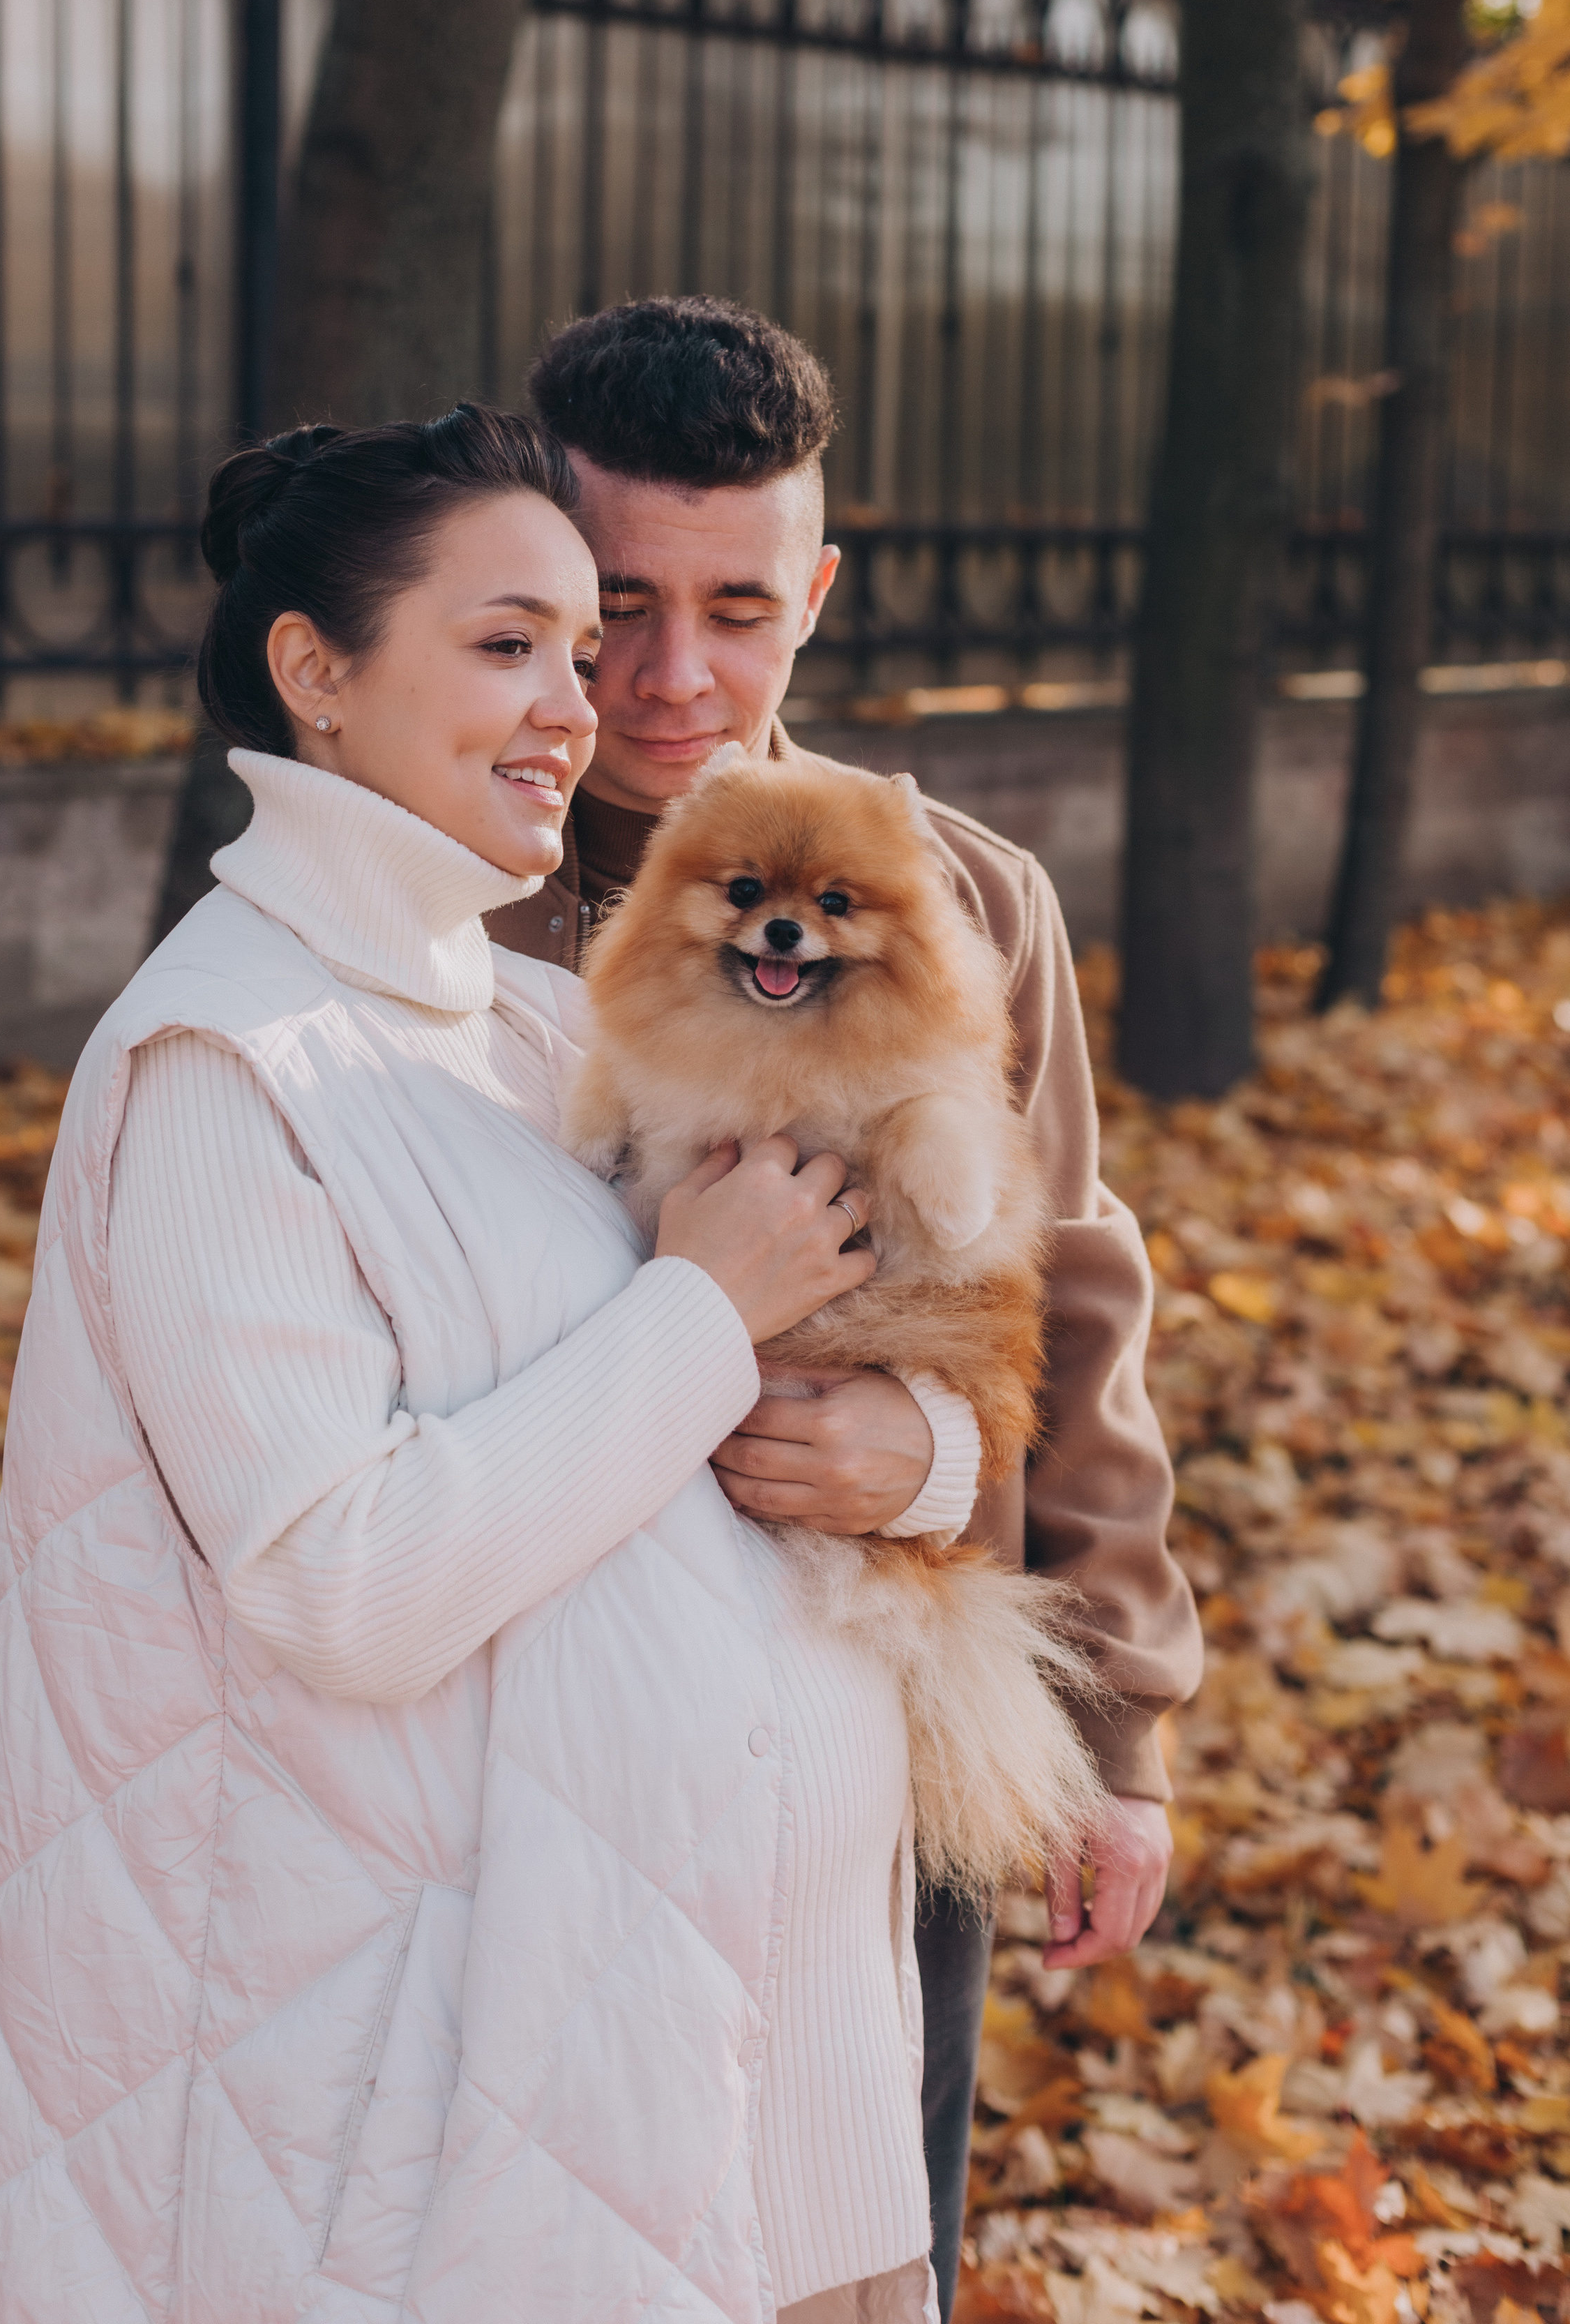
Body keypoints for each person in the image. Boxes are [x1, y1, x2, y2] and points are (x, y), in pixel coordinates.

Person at [0, 406, 974, 2324]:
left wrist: (938, 1460)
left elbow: (853, 1358)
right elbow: (348, 1582)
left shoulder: (522, 1022)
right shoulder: (232, 1066)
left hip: (745, 2070)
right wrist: (695, 1310)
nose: (581, 703)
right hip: (432, 2113)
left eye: (576, 650)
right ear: (316, 674)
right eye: (507, 646)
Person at [488, 297, 1205, 2321]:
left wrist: (1112, 1720)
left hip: (866, 1725)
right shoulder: (448, 890)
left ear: (816, 590)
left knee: (859, 2239)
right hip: (530, 1727)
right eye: (615, 601)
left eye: (738, 605)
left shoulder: (963, 898)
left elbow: (1073, 1290)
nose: (670, 676)